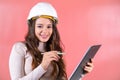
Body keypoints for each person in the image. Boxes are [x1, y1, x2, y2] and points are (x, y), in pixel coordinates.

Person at [9, 2, 93, 80]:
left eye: (49, 27)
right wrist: (42, 66)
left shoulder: (54, 49)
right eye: (40, 26)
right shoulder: (20, 48)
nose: (45, 31)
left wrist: (81, 73)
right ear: (32, 27)